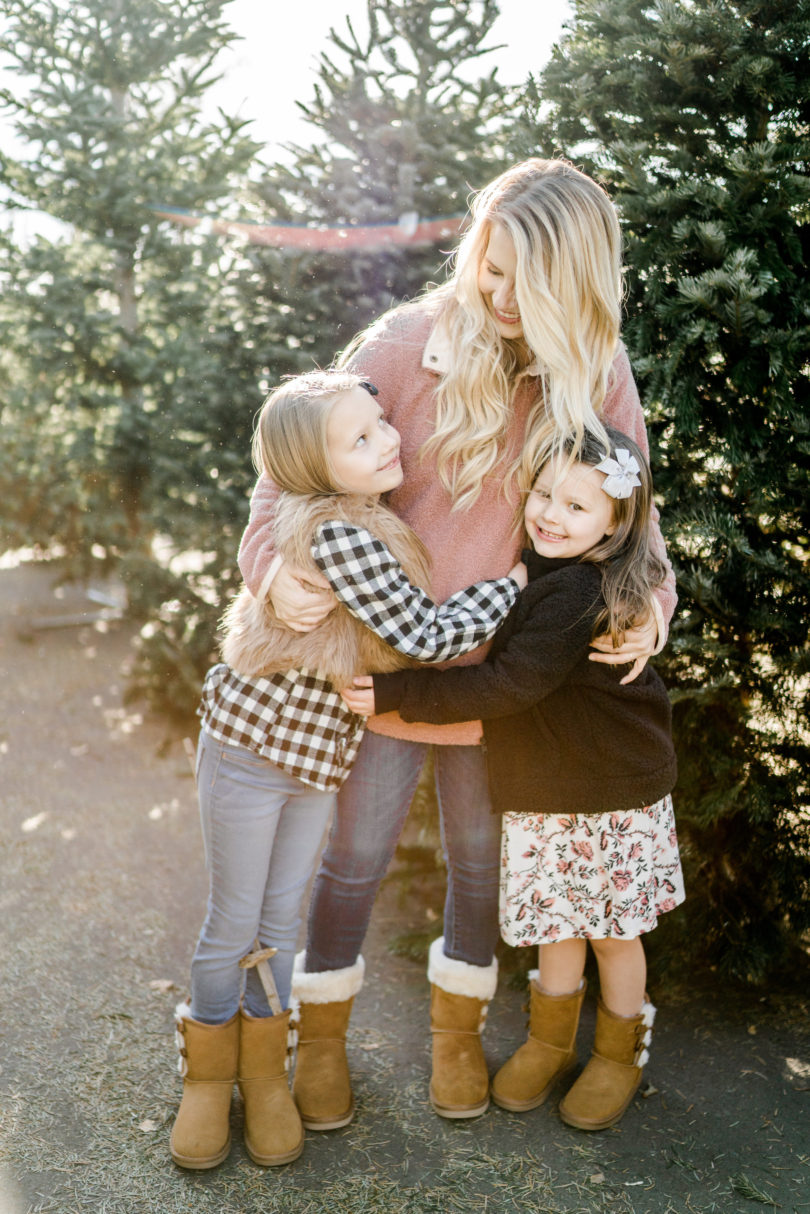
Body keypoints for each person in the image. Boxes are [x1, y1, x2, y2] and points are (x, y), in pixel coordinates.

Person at [236, 158, 678, 1125]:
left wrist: (647, 605)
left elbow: (634, 515)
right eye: (493, 268)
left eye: (533, 278)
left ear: (579, 279)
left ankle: (456, 1040)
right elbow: (289, 471)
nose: (506, 296)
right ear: (474, 251)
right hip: (384, 673)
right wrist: (275, 567)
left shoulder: (594, 372)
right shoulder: (404, 344)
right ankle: (321, 1043)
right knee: (355, 857)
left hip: (501, 684)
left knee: (482, 861)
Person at [170, 371, 523, 1171]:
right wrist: (515, 587)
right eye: (361, 439)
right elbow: (425, 634)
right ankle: (205, 1074)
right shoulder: (341, 534)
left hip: (318, 758)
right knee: (235, 920)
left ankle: (264, 1075)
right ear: (315, 470)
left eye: (381, 424)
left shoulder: (370, 515)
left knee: (280, 923)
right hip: (255, 749)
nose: (390, 439)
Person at [343, 425, 685, 1132]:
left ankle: (621, 1051)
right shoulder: (542, 571)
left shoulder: (574, 596)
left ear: (619, 525)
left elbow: (503, 687)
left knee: (614, 935)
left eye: (578, 508)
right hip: (548, 792)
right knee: (556, 925)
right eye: (545, 494)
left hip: (609, 798)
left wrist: (397, 691)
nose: (552, 515)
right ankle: (550, 1041)